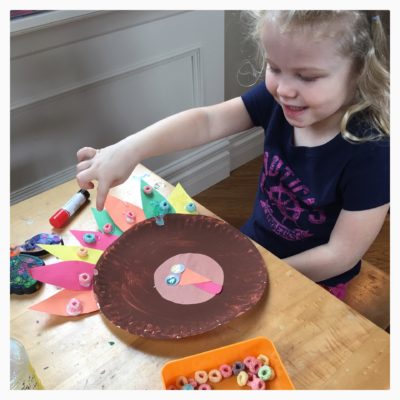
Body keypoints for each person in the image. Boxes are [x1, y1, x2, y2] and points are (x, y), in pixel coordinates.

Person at [76, 10, 390, 299]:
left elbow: (340, 255)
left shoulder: (374, 154)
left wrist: (256, 274)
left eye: (307, 77)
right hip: (251, 248)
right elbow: (207, 121)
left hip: (313, 281)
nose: (284, 89)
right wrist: (130, 147)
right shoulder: (278, 101)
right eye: (275, 67)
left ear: (360, 69)